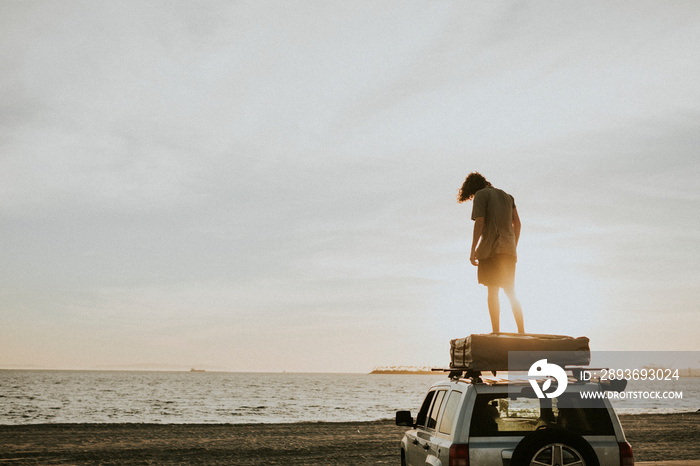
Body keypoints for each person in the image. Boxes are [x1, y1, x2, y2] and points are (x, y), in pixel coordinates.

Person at [458, 172, 524, 333]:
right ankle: (521, 331)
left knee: (493, 291)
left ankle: (496, 331)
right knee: (510, 290)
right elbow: (518, 224)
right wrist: (512, 245)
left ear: (473, 189)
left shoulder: (481, 195)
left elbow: (479, 221)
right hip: (509, 250)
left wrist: (473, 249)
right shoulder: (508, 197)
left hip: (490, 250)